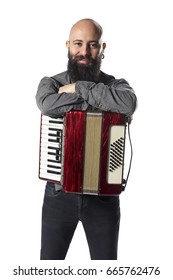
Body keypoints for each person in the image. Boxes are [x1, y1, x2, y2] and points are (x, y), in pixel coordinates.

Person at [36, 18, 137, 260]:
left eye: (92, 45)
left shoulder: (117, 85)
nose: (84, 52)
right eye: (78, 44)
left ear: (102, 49)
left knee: (105, 267)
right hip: (58, 195)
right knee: (48, 267)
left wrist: (79, 88)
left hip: (104, 199)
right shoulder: (51, 83)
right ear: (68, 45)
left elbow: (128, 104)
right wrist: (102, 102)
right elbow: (46, 105)